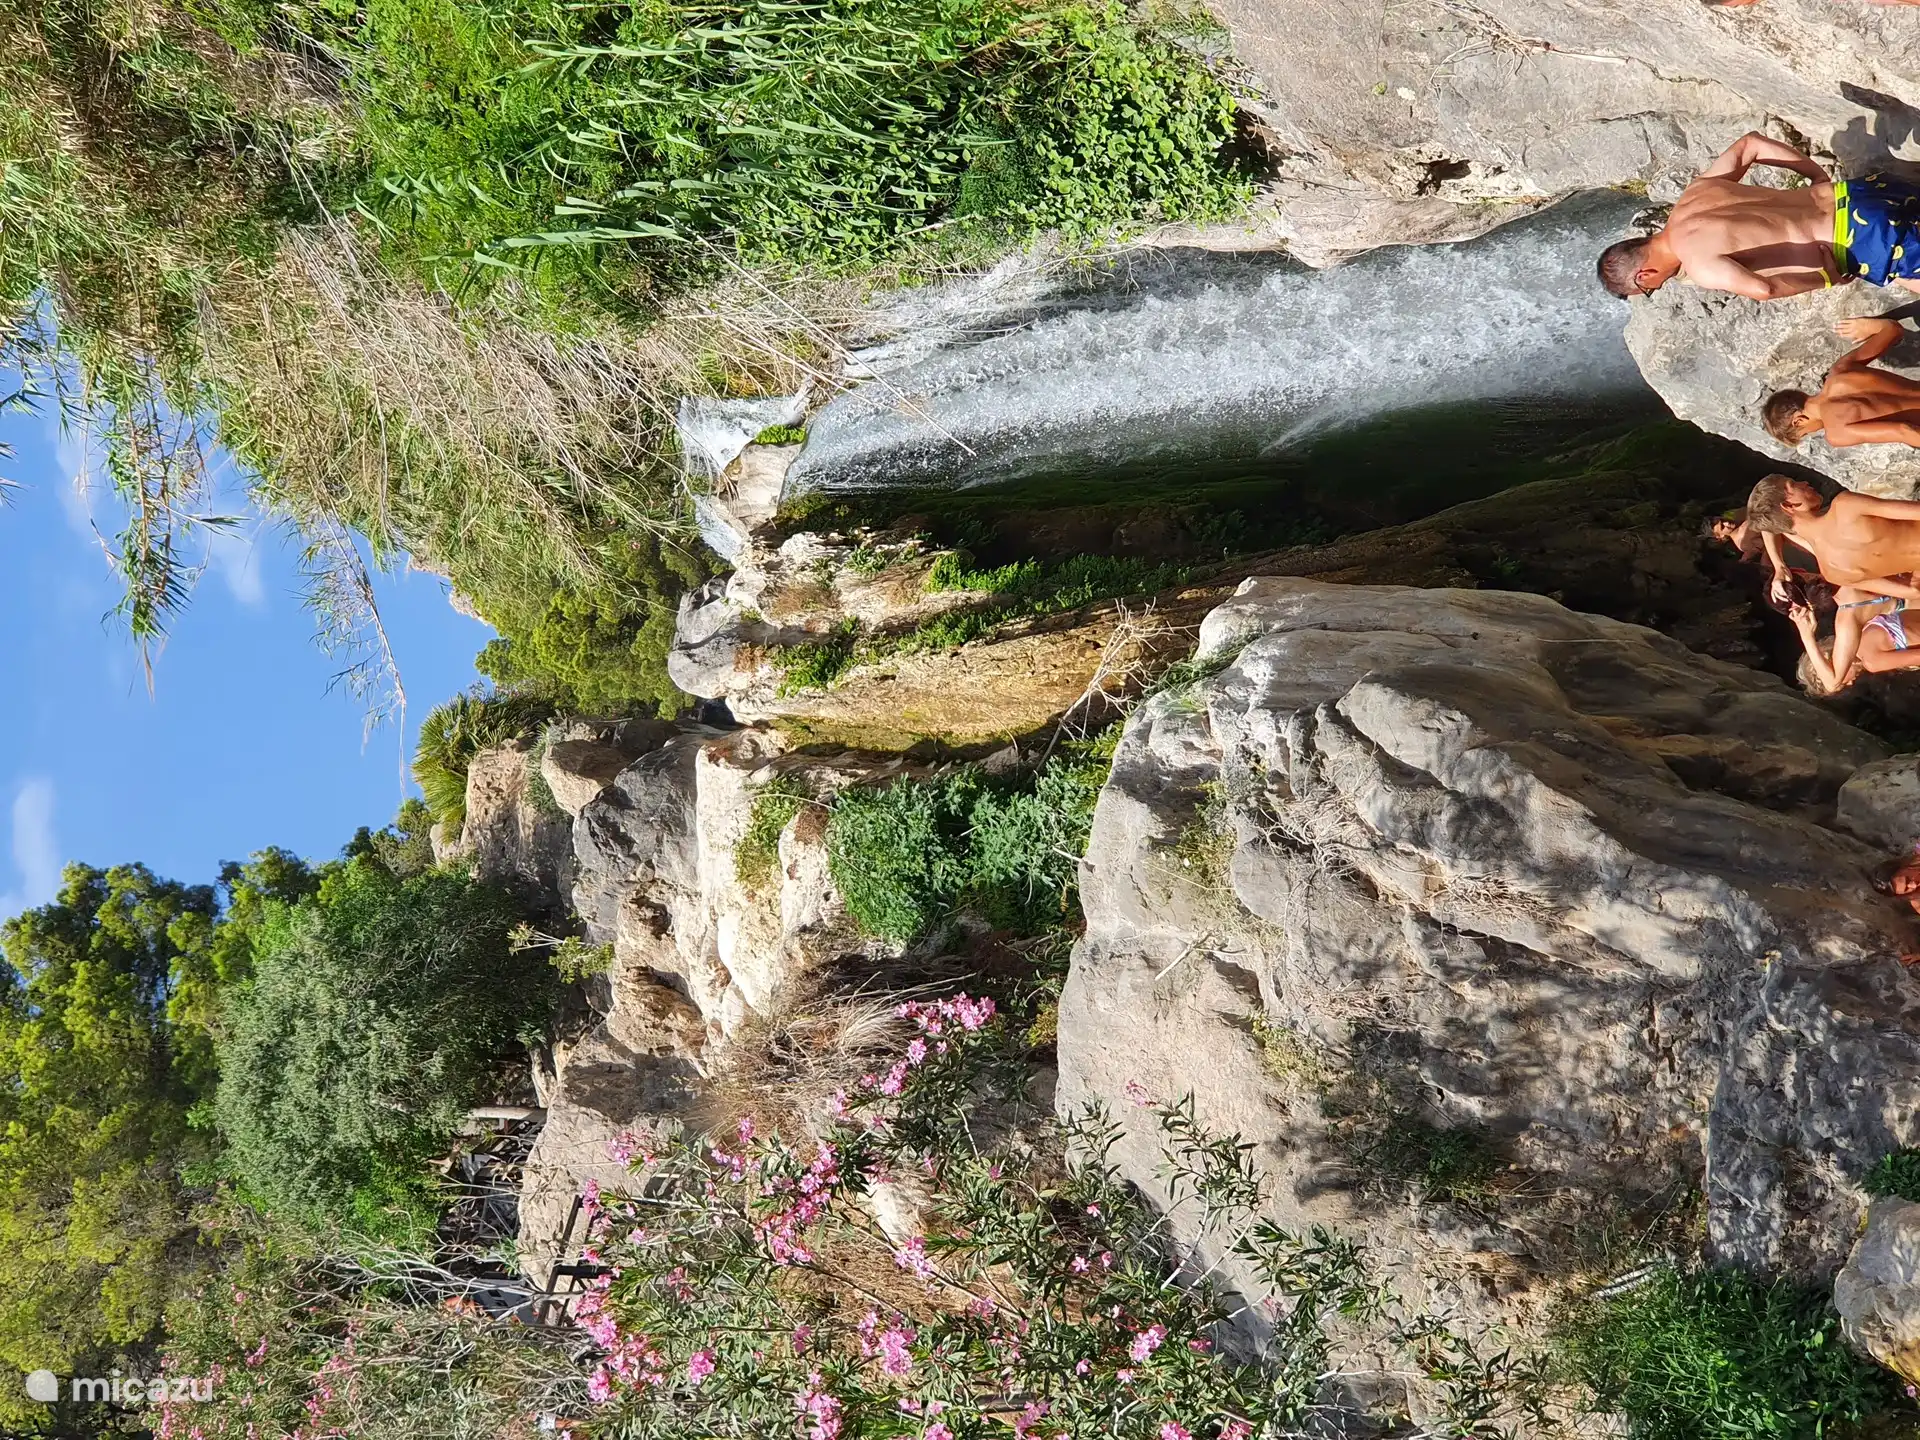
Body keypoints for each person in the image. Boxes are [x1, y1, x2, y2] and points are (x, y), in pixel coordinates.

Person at [1597, 133, 1920, 301]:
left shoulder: (1700, 265)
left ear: (1645, 275)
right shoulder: (1694, 195)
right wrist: (1815, 174)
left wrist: (1826, 278)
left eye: (1651, 289)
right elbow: (1750, 144)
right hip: (1858, 194)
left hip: (1863, 240)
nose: (1660, 286)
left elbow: (1765, 290)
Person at [1744, 474, 1920, 599]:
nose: (1804, 482)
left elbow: (1913, 591)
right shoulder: (1845, 507)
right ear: (1788, 506)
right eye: (1793, 483)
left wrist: (1778, 566)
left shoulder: (1833, 572)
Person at [1763, 318, 1920, 450]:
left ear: (1798, 421)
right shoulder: (1840, 370)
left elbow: (1903, 431)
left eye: (1805, 433)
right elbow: (1893, 329)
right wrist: (1867, 326)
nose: (1811, 433)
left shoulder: (1837, 433)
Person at [1788, 585, 1920, 692]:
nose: (1851, 683)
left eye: (1844, 683)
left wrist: (1807, 638)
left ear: (1830, 665)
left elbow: (1918, 656)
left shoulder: (1871, 661)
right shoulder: (1863, 628)